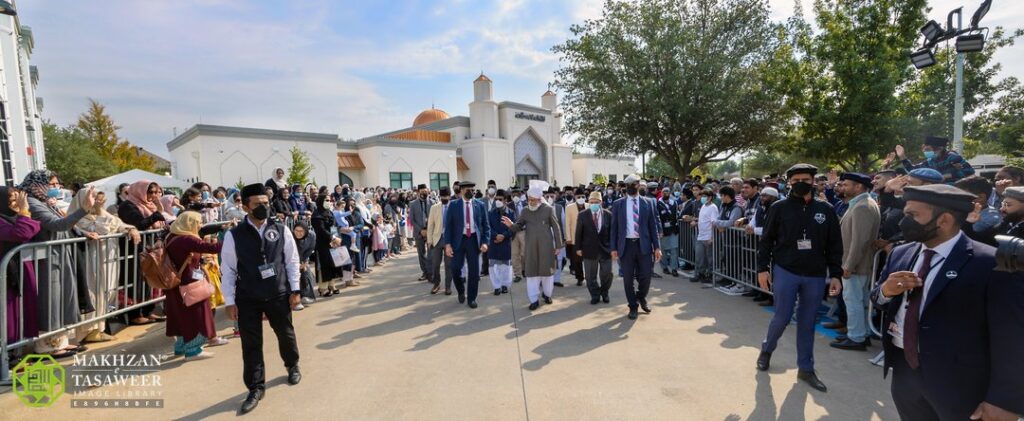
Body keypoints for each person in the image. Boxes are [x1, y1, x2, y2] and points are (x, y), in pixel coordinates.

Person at [871, 184, 1024, 420]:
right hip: (905, 374)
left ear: (943, 220)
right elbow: (878, 298)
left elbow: (1012, 337)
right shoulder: (901, 253)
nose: (904, 221)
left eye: (913, 215)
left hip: (960, 385)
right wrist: (886, 291)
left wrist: (1004, 401)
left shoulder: (991, 264)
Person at [755, 163, 843, 392]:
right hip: (786, 270)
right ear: (789, 182)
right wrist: (762, 269)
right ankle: (767, 349)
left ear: (813, 181)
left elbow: (835, 244)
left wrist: (836, 274)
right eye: (795, 180)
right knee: (782, 317)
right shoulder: (779, 208)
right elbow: (766, 241)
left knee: (807, 321)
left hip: (815, 274)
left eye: (805, 179)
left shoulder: (826, 210)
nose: (800, 183)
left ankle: (806, 368)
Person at [221, 184, 303, 415]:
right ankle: (256, 387)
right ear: (246, 207)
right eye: (257, 204)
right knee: (251, 343)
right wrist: (229, 301)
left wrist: (295, 289)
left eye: (266, 203)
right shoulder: (234, 235)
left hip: (278, 292)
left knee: (285, 334)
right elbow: (228, 269)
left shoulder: (281, 229)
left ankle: (292, 365)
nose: (263, 207)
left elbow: (291, 261)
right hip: (248, 296)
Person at [21, 170, 95, 358]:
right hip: (47, 260)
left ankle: (60, 342)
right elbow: (58, 225)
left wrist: (83, 232)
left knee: (62, 298)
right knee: (50, 300)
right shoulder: (32, 203)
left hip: (60, 255)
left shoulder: (46, 202)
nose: (56, 188)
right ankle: (47, 346)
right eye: (51, 184)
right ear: (37, 184)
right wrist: (84, 209)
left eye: (57, 184)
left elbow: (66, 224)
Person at [69, 189, 141, 344]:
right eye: (95, 198)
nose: (99, 202)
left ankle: (98, 329)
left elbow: (120, 224)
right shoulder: (77, 219)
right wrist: (98, 210)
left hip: (107, 261)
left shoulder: (103, 215)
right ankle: (88, 331)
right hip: (89, 262)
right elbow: (102, 228)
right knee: (93, 294)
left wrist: (131, 229)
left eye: (101, 199)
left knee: (105, 293)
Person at [830, 173, 880, 351]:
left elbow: (860, 241)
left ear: (858, 186)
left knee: (853, 301)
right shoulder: (861, 204)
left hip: (856, 265)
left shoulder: (863, 206)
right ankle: (861, 333)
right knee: (860, 301)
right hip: (858, 264)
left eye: (846, 184)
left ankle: (856, 337)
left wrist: (848, 266)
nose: (842, 187)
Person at [163, 211, 223, 360]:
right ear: (190, 223)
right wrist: (233, 238)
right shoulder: (187, 239)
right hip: (190, 285)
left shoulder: (171, 237)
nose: (200, 225)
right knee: (197, 316)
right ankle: (193, 350)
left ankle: (180, 347)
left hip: (175, 286)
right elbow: (212, 248)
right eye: (198, 222)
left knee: (180, 317)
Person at [501, 180, 564, 310]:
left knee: (547, 273)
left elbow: (556, 227)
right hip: (530, 247)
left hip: (546, 247)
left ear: (539, 199)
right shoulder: (525, 211)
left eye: (533, 200)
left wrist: (558, 246)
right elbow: (518, 226)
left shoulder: (548, 209)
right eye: (529, 199)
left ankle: (547, 294)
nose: (531, 202)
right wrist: (511, 224)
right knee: (532, 274)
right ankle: (534, 300)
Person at [609, 175, 662, 320]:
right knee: (627, 279)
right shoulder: (618, 204)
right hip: (626, 246)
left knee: (646, 276)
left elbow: (653, 226)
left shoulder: (649, 202)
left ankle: (641, 297)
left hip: (643, 245)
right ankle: (632, 306)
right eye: (627, 185)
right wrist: (613, 248)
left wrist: (657, 247)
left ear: (638, 185)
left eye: (632, 184)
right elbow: (614, 228)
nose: (629, 187)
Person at [118, 180, 169, 326]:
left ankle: (148, 311)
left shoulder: (149, 206)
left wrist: (158, 213)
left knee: (149, 279)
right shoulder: (128, 206)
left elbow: (160, 224)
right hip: (133, 249)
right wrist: (157, 214)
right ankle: (135, 314)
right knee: (135, 281)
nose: (153, 195)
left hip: (149, 248)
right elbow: (139, 224)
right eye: (150, 192)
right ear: (140, 191)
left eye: (156, 192)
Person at [1, 187, 42, 349]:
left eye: (18, 200)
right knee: (8, 314)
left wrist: (23, 213)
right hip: (6, 274)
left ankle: (15, 349)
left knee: (19, 312)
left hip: (17, 270)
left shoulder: (13, 218)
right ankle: (8, 352)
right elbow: (22, 233)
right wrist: (24, 211)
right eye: (12, 200)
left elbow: (34, 229)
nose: (16, 204)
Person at [443, 181, 490, 309]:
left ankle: (472, 298)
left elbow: (486, 226)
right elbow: (448, 227)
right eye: (468, 189)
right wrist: (447, 244)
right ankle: (461, 290)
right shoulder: (453, 205)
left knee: (474, 272)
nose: (471, 192)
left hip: (473, 240)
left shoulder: (480, 205)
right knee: (455, 268)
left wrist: (485, 242)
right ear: (462, 190)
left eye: (473, 190)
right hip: (458, 241)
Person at [576, 191, 613, 304]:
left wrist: (613, 248)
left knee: (607, 274)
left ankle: (605, 292)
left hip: (605, 250)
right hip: (589, 249)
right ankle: (595, 294)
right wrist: (578, 248)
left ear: (601, 202)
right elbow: (578, 233)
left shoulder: (608, 214)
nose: (593, 204)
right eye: (591, 202)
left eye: (596, 202)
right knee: (590, 276)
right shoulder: (583, 214)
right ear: (588, 202)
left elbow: (612, 233)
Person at [896, 136, 975, 184]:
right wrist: (902, 157)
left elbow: (969, 171)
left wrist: (947, 175)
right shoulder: (930, 161)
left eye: (928, 149)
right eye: (924, 150)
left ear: (939, 149)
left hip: (954, 189)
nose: (925, 152)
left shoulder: (953, 157)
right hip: (938, 190)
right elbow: (913, 170)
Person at [310, 195, 344, 295]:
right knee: (324, 265)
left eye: (330, 200)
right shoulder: (316, 215)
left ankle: (331, 285)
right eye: (327, 200)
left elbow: (334, 226)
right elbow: (321, 230)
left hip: (333, 242)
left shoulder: (330, 212)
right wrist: (332, 237)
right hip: (322, 244)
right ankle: (322, 288)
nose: (329, 202)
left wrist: (337, 238)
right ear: (321, 201)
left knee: (333, 264)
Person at [487, 190, 515, 296]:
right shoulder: (491, 213)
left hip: (505, 242)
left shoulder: (511, 213)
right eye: (496, 199)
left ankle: (505, 285)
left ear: (506, 200)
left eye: (500, 199)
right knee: (493, 266)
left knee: (506, 266)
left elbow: (513, 228)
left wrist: (504, 236)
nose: (498, 201)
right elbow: (488, 227)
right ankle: (496, 287)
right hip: (494, 242)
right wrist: (495, 236)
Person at [427, 186, 453, 295]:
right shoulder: (434, 208)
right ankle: (436, 284)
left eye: (446, 196)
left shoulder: (454, 207)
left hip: (450, 240)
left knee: (449, 265)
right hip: (437, 239)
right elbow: (430, 225)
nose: (444, 198)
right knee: (435, 264)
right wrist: (429, 240)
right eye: (442, 196)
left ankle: (448, 286)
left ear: (449, 196)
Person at [691, 190, 719, 285]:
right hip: (700, 236)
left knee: (710, 259)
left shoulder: (713, 207)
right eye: (702, 195)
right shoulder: (703, 206)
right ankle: (701, 274)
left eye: (704, 196)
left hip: (708, 237)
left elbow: (714, 223)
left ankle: (710, 276)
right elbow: (703, 219)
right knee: (699, 257)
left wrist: (712, 237)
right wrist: (696, 222)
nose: (702, 198)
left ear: (710, 197)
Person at [409, 184, 434, 282]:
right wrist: (421, 230)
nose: (424, 192)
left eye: (425, 191)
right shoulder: (412, 204)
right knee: (421, 253)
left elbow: (435, 218)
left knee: (431, 253)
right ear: (418, 192)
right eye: (422, 191)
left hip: (430, 232)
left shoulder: (432, 203)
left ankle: (430, 272)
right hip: (419, 232)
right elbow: (412, 219)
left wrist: (428, 230)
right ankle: (425, 272)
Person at [563, 188, 587, 286]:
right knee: (577, 260)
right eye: (578, 197)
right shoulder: (569, 207)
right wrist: (568, 237)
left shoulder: (589, 206)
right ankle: (579, 278)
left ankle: (589, 276)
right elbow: (567, 223)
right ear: (575, 197)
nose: (581, 198)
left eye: (582, 197)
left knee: (589, 259)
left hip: (588, 237)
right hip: (575, 237)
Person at [292, 221, 317, 307]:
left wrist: (304, 262)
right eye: (296, 230)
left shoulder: (311, 235)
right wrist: (296, 264)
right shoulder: (290, 237)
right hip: (292, 260)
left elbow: (310, 249)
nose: (298, 233)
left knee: (307, 274)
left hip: (304, 258)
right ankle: (295, 298)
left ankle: (306, 295)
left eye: (301, 231)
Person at [656, 187, 680, 277]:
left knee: (674, 250)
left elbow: (677, 215)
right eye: (664, 192)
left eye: (667, 192)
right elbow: (656, 218)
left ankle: (674, 269)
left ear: (670, 193)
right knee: (663, 250)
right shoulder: (658, 204)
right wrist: (659, 230)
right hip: (663, 230)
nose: (666, 193)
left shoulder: (674, 203)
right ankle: (664, 267)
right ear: (661, 193)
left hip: (673, 229)